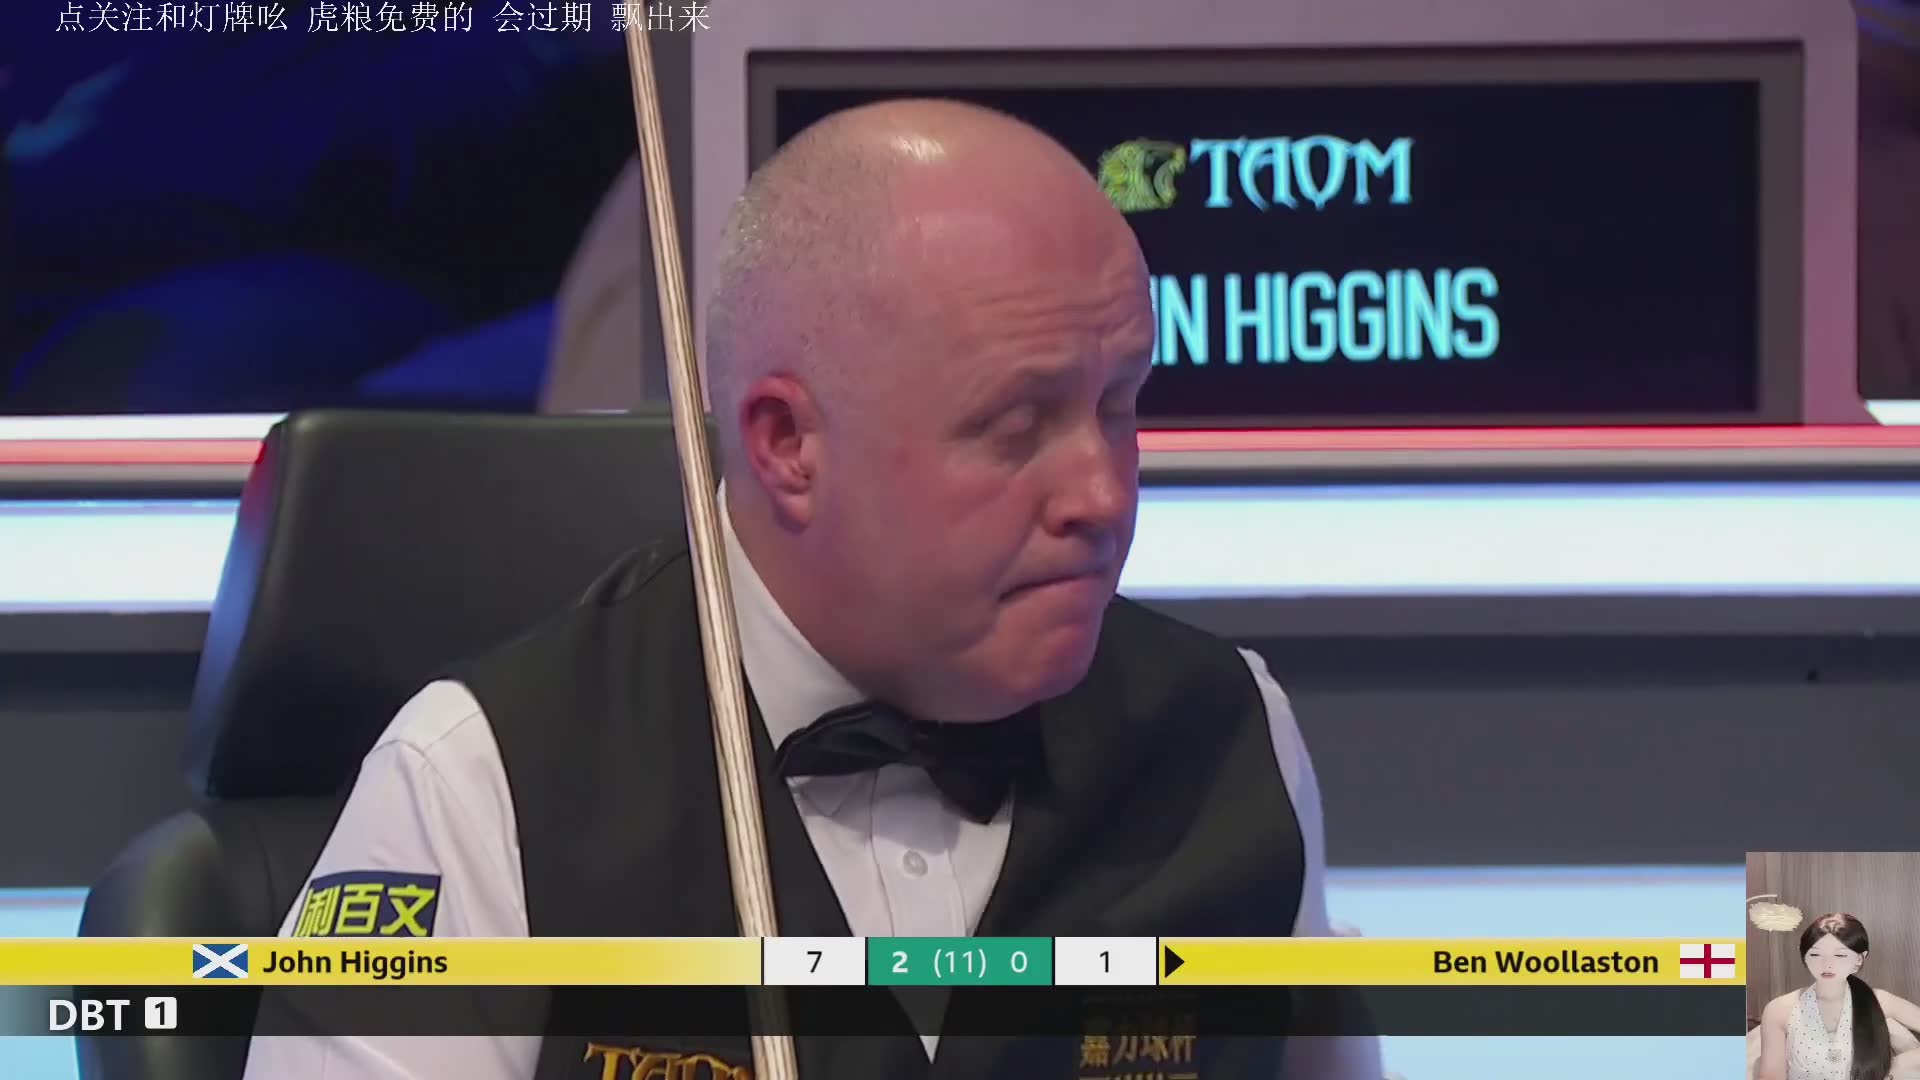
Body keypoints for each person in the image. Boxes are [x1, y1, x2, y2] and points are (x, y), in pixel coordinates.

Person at [240, 98, 1382, 1079]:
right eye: (1015, 425)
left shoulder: (1229, 736)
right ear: (787, 444)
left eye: (1119, 406)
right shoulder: (476, 784)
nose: (1102, 491)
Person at [1756, 913, 1920, 1080]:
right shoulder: (1779, 1009)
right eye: (1816, 955)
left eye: (1840, 955)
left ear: (1859, 959)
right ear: (1804, 957)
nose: (1827, 964)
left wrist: (1895, 1069)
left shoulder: (1880, 1000)